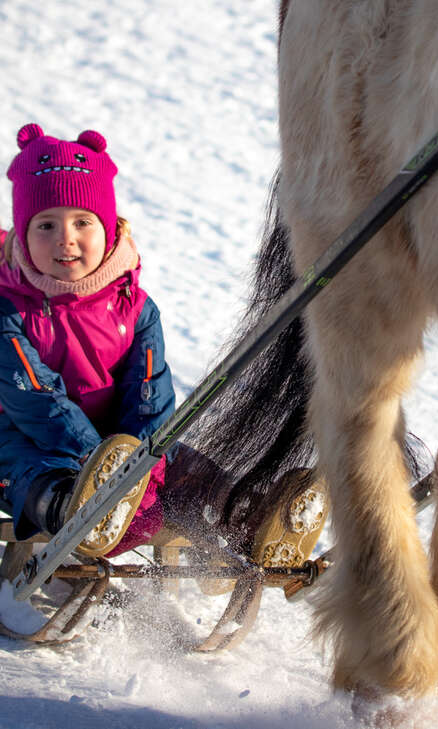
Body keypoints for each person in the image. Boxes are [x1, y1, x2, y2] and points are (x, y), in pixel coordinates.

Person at [0, 123, 326, 570]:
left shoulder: (134, 306)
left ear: (109, 226)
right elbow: (35, 400)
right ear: (22, 231)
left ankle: (253, 517)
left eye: (82, 221)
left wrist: (143, 462)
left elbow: (150, 389)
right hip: (28, 438)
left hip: (121, 441)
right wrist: (104, 467)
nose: (65, 238)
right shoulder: (8, 309)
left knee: (185, 466)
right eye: (45, 224)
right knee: (31, 474)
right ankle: (79, 516)